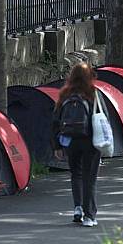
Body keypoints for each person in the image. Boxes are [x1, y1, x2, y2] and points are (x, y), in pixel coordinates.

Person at [52, 63, 108, 227]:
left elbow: (55, 121)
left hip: (70, 141)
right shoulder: (94, 93)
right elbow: (103, 117)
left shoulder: (65, 94)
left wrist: (56, 146)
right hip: (91, 141)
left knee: (76, 174)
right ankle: (89, 216)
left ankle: (77, 208)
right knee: (89, 178)